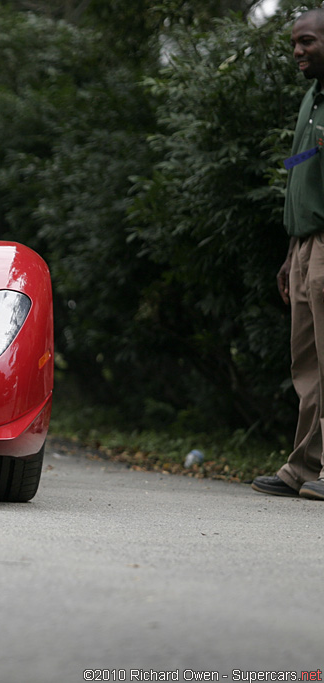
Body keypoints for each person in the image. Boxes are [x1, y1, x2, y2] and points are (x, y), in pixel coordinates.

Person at [253, 8, 324, 500]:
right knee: (307, 363)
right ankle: (303, 467)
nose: (297, 51)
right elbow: (302, 169)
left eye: (307, 42)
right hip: (302, 245)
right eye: (295, 43)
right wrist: (289, 250)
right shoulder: (310, 101)